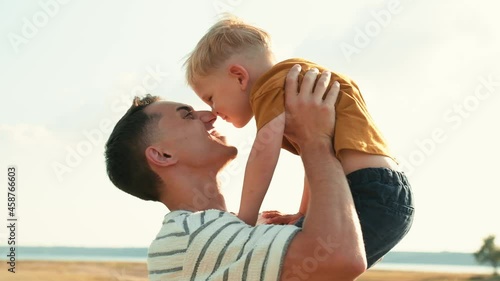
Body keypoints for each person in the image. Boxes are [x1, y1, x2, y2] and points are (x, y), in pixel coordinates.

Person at [184, 16, 414, 268]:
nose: (214, 111)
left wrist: (244, 221)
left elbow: (263, 153)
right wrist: (304, 213)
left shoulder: (269, 86)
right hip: (385, 191)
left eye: (211, 98)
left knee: (290, 267)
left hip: (364, 192)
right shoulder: (297, 82)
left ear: (239, 76)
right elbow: (318, 162)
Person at [105, 67, 367, 280]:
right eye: (187, 115)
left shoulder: (220, 233)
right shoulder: (189, 235)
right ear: (162, 155)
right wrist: (316, 140)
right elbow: (341, 259)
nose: (210, 115)